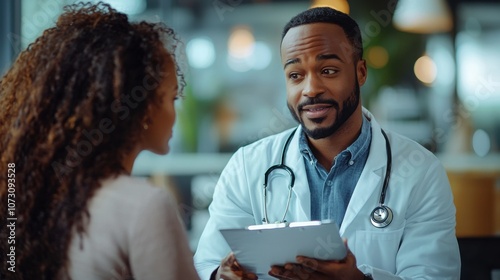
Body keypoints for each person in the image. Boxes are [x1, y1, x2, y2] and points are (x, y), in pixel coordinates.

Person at [194, 7, 460, 280]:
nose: (310, 89)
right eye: (295, 75)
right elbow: (207, 264)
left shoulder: (421, 170)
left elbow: (435, 275)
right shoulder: (247, 166)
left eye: (328, 70)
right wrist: (221, 275)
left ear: (360, 72)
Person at [0, 3, 199, 280]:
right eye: (171, 97)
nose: (175, 112)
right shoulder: (145, 206)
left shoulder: (28, 196)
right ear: (141, 108)